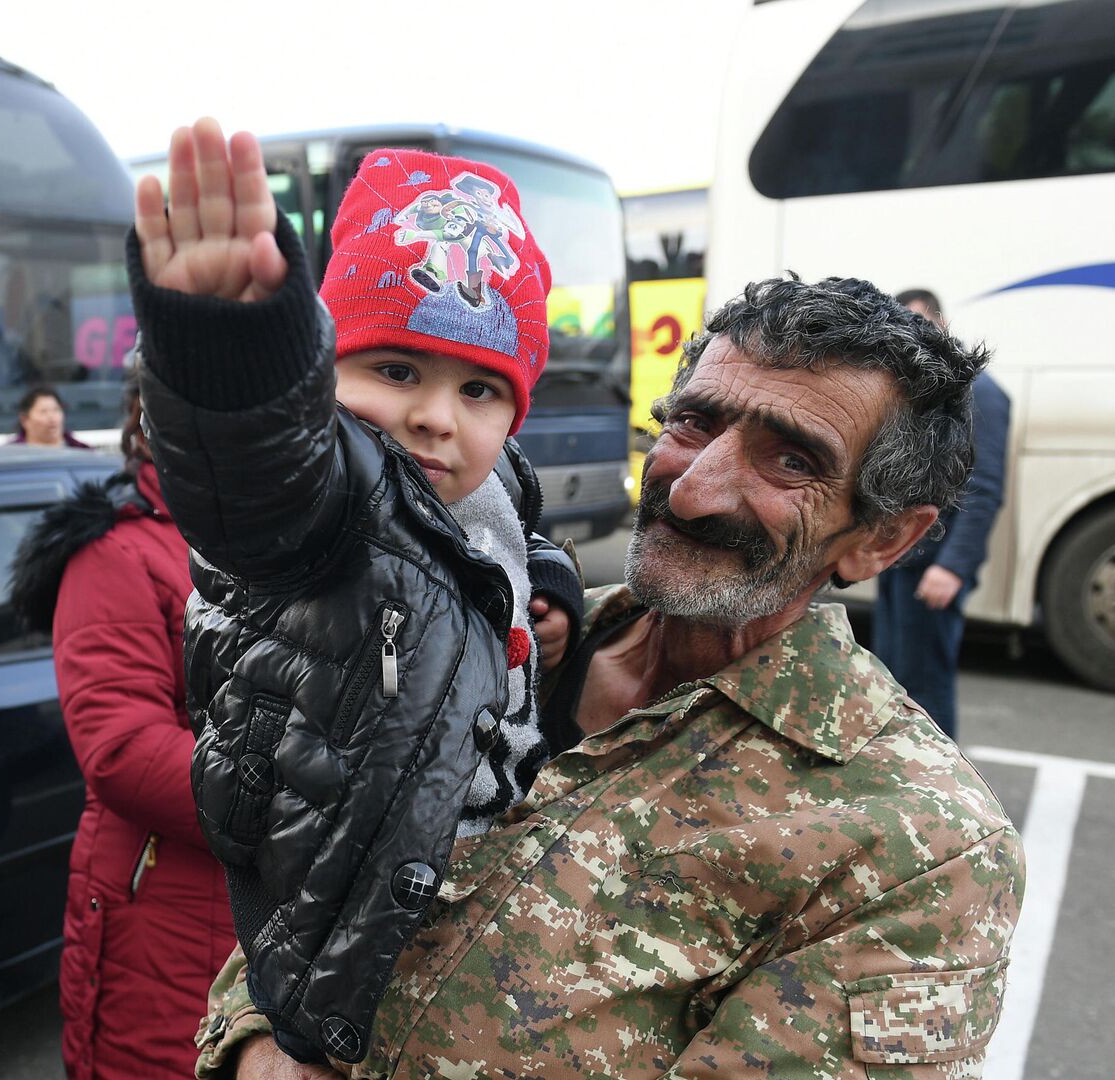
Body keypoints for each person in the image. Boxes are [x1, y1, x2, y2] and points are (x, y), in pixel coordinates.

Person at [199, 276, 1027, 1078]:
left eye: (790, 461)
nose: (694, 489)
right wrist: (254, 1041)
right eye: (696, 423)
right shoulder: (493, 627)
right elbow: (297, 857)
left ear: (881, 540)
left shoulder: (922, 848)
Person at [129, 119, 585, 1065]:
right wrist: (237, 361)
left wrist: (549, 585)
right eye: (395, 370)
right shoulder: (332, 500)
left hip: (481, 919)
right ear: (325, 372)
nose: (432, 415)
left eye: (480, 391)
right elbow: (259, 481)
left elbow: (514, 537)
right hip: (344, 961)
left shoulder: (492, 484)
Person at [8, 364, 234, 1078]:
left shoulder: (295, 538)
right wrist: (300, 802)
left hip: (274, 910)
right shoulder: (116, 552)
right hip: (164, 915)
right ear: (147, 416)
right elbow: (122, 748)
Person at [870, 288, 1010, 738]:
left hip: (934, 565)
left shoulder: (981, 393)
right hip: (901, 559)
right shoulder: (926, 387)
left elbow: (984, 489)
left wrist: (953, 567)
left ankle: (941, 787)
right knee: (892, 678)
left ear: (941, 324)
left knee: (925, 685)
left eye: (918, 324)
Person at [9, 385, 93, 448]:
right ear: (25, 420)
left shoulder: (82, 452)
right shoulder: (11, 456)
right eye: (43, 412)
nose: (52, 417)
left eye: (56, 410)